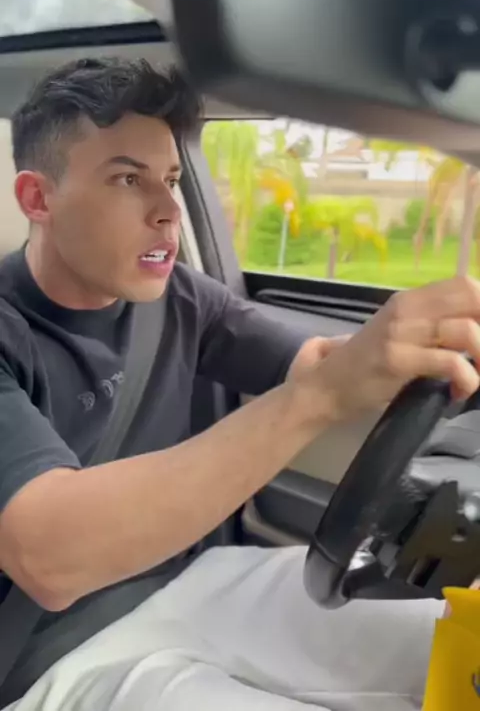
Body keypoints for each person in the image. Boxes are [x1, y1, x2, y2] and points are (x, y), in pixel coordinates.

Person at [0, 57, 478, 711]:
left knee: (450, 634)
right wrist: (321, 396)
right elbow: (51, 558)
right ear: (37, 198)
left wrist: (419, 349)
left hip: (196, 579)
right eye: (127, 179)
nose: (168, 210)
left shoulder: (180, 297)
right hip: (57, 658)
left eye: (171, 180)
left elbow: (317, 360)